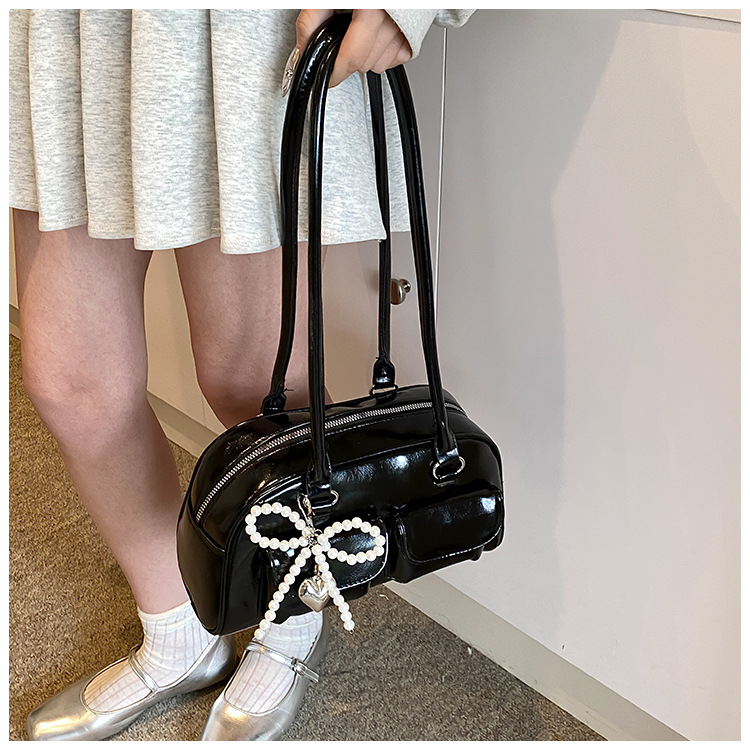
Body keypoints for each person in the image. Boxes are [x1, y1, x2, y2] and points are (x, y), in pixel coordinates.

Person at [10, 8, 476, 742]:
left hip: (230, 40)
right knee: (73, 382)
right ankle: (179, 633)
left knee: (257, 389)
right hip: (67, 33)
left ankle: (289, 620)